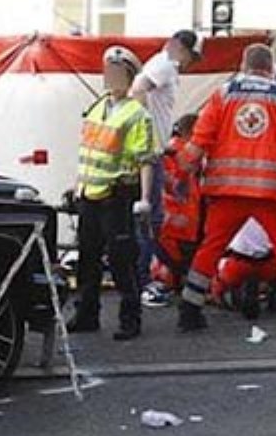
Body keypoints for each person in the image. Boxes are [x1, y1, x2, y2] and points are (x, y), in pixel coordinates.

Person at [177, 44, 276, 341]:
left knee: (211, 247)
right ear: (271, 67)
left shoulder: (223, 94)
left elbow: (200, 139)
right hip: (274, 192)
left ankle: (189, 310)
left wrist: (182, 171)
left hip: (227, 190)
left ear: (244, 65)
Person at [69, 45, 157, 341]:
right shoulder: (97, 106)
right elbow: (87, 150)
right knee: (87, 258)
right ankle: (86, 314)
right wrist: (78, 185)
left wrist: (145, 199)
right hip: (89, 195)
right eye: (109, 72)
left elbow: (145, 159)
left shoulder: (137, 115)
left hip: (116, 196)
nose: (111, 78)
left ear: (129, 77)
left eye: (118, 73)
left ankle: (130, 318)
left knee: (122, 260)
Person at [131, 30, 201, 308]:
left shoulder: (160, 65)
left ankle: (142, 279)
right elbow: (138, 88)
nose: (190, 63)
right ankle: (142, 282)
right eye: (191, 56)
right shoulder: (164, 65)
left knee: (147, 220)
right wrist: (146, 129)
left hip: (152, 151)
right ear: (179, 48)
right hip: (151, 152)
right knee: (149, 220)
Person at [152, 113, 202, 292]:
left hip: (170, 225)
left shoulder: (167, 152)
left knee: (170, 268)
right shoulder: (184, 154)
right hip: (183, 226)